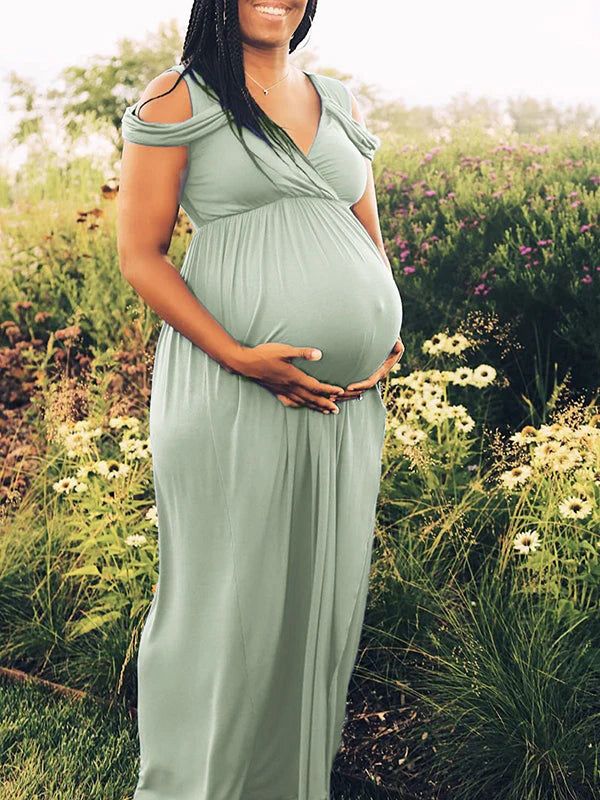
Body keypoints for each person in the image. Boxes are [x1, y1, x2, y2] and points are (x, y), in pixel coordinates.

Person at [117, 0, 405, 797]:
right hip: (233, 390)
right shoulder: (180, 95)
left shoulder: (338, 101)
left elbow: (365, 234)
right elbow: (141, 255)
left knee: (318, 612)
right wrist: (241, 356)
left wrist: (384, 327)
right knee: (229, 609)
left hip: (344, 405)